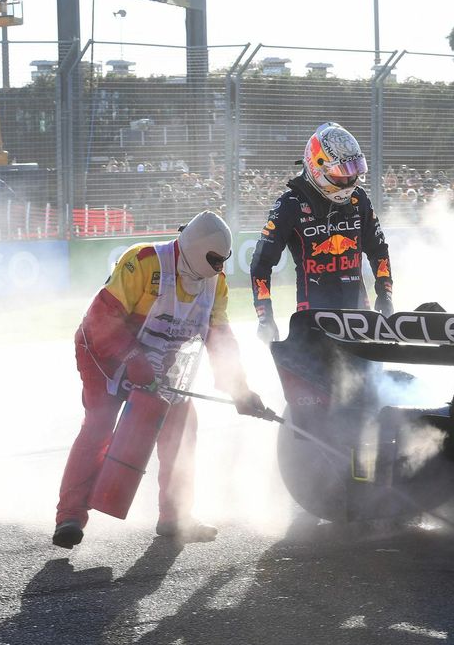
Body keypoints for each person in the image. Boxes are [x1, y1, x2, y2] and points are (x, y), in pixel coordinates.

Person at [53, 211, 266, 549]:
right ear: (196, 249)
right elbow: (100, 320)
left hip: (160, 363)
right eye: (214, 259)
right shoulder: (143, 261)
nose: (219, 267)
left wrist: (240, 389)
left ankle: (175, 516)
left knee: (182, 428)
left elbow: (220, 339)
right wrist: (133, 360)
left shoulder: (216, 283)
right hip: (102, 355)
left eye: (223, 261)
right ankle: (70, 517)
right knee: (99, 424)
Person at [250, 122, 393, 342]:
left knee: (368, 365)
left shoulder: (359, 199)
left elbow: (378, 250)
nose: (348, 182)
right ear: (317, 167)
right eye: (340, 175)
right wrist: (265, 317)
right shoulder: (290, 205)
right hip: (312, 320)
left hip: (359, 316)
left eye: (352, 173)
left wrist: (385, 294)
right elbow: (261, 263)